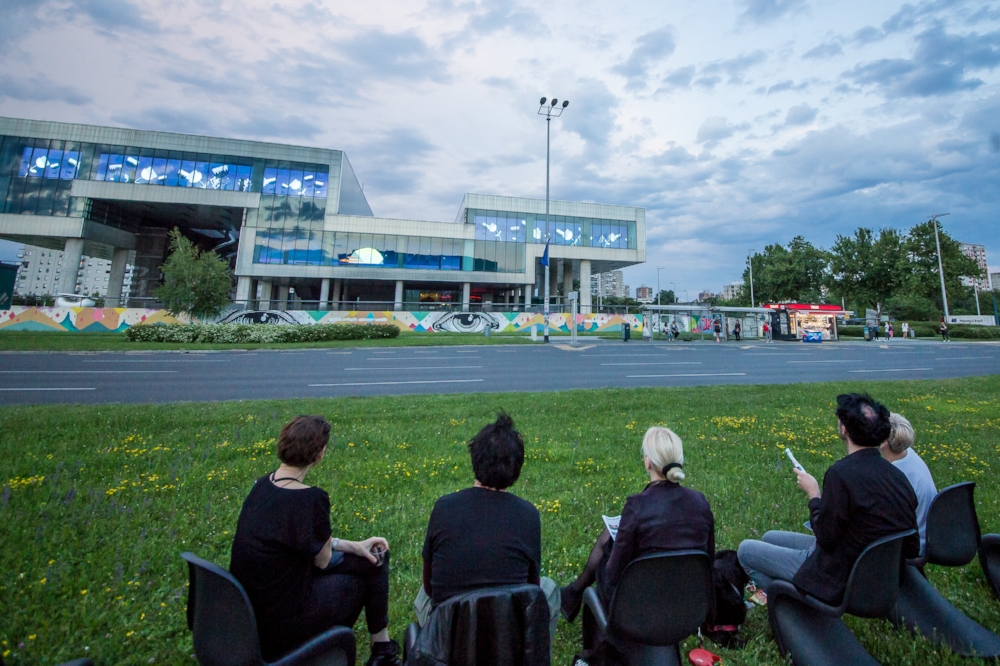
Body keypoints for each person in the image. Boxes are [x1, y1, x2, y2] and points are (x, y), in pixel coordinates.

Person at [230, 416, 401, 665]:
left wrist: (355, 546)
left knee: (372, 558)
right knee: (370, 569)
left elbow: (299, 541)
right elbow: (322, 561)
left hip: (252, 615)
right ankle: (377, 652)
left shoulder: (263, 486)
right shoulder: (311, 499)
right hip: (282, 626)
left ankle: (382, 648)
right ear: (319, 454)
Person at [737, 393, 919, 604]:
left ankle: (790, 603)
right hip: (874, 574)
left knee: (745, 550)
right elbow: (911, 546)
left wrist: (814, 494)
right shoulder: (897, 476)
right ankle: (789, 589)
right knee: (769, 537)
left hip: (837, 575)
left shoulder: (841, 474)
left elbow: (825, 536)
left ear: (844, 429)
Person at [415, 412, 560, 639]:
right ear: (517, 468)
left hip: (449, 638)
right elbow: (532, 587)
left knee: (421, 597)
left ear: (475, 458)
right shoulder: (528, 516)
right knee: (548, 589)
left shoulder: (444, 508)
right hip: (506, 639)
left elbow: (429, 585)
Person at [559, 426, 715, 621]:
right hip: (685, 605)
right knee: (611, 538)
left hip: (637, 608)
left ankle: (574, 593)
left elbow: (613, 574)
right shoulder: (700, 502)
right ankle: (572, 593)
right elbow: (708, 561)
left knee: (607, 545)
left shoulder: (638, 505)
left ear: (647, 461)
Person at [881, 413, 937, 555]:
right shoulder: (909, 455)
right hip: (926, 532)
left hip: (913, 545)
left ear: (885, 442)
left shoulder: (896, 476)